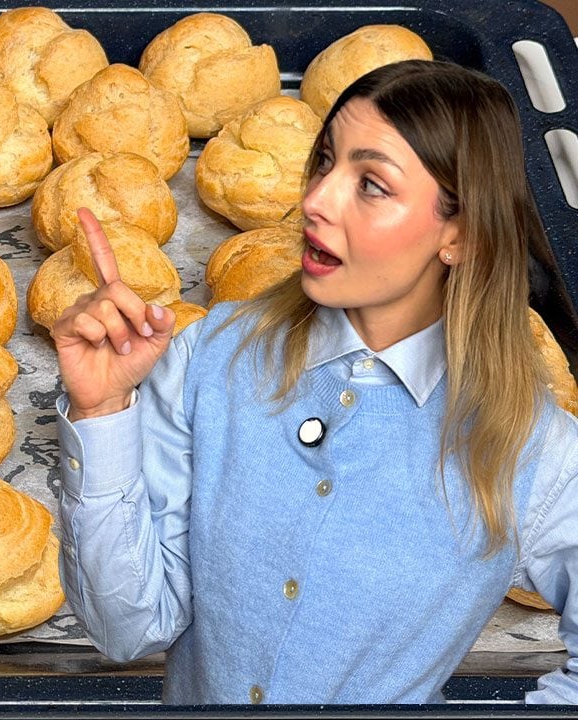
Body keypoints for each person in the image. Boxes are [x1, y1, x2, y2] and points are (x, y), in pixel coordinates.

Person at [51, 58, 578, 704]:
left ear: (460, 234)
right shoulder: (210, 357)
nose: (316, 201)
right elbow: (127, 628)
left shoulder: (529, 451)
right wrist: (103, 410)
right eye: (325, 162)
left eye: (372, 185)